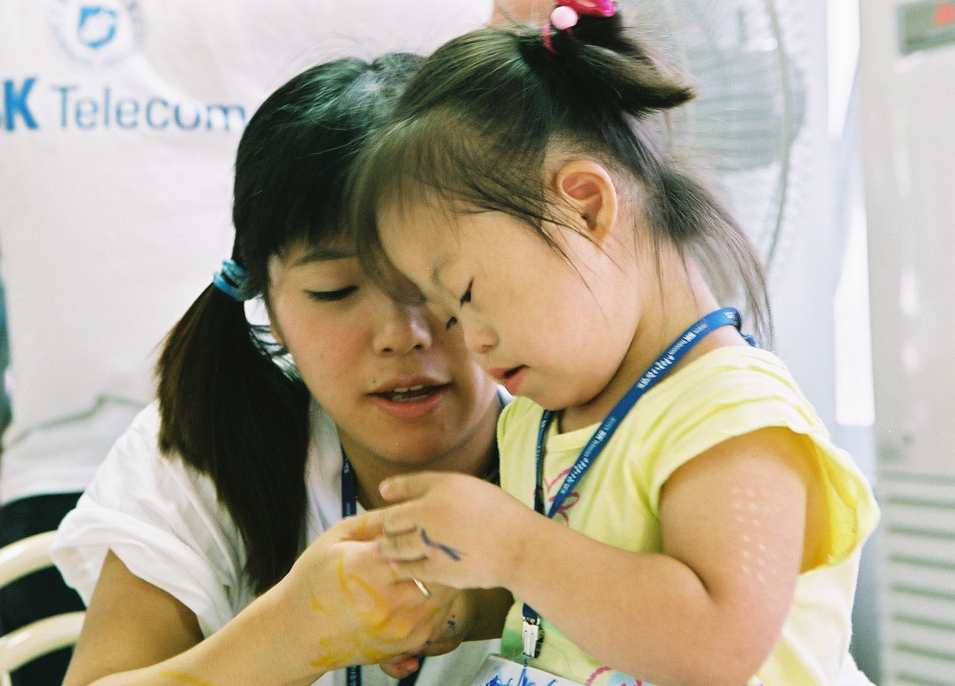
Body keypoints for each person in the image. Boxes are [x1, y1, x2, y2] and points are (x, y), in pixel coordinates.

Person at [0, 2, 523, 684]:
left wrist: (489, 602)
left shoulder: (590, 430)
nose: (400, 335)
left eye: (436, 284)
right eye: (335, 292)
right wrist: (294, 630)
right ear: (264, 300)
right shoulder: (208, 446)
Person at [351, 4, 882, 686]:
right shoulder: (534, 422)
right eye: (452, 316)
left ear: (585, 207)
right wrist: (455, 603)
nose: (470, 340)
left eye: (469, 292)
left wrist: (511, 545)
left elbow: (715, 646)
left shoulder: (729, 415)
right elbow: (567, 603)